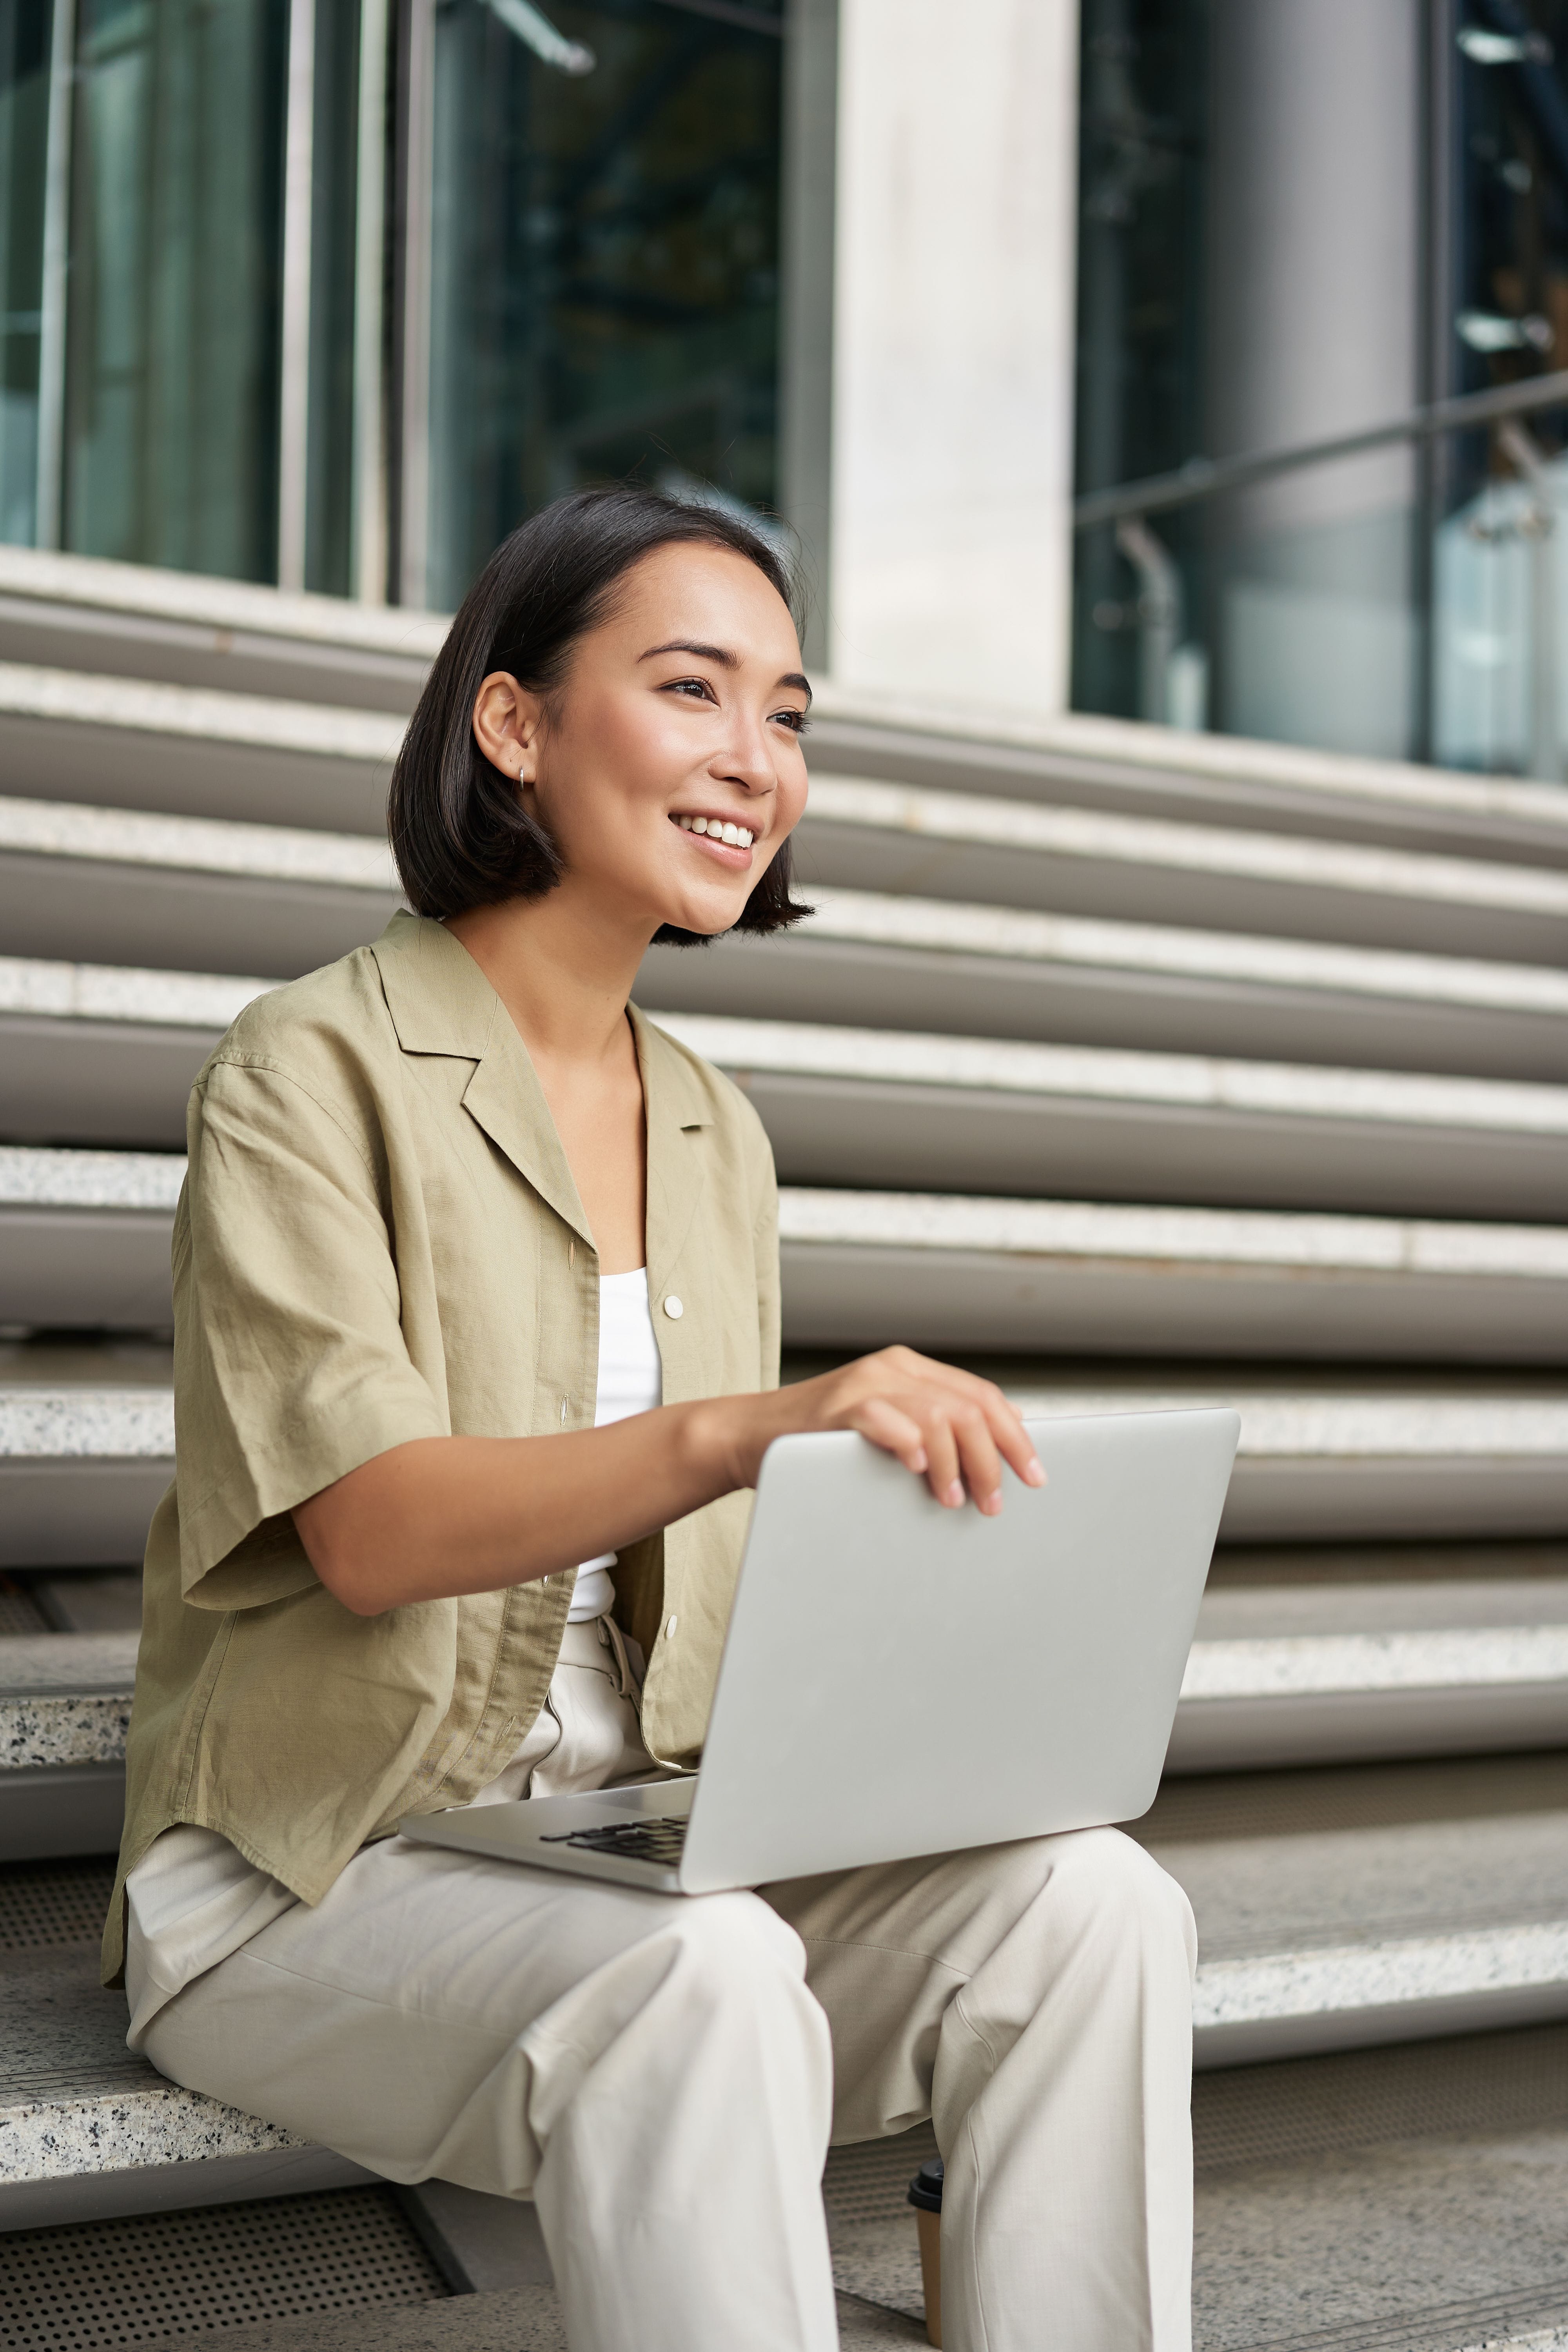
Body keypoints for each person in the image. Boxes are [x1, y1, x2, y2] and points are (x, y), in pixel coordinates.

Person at [104, 486, 1197, 2352]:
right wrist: (751, 1431)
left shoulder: (709, 1122)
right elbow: (370, 1529)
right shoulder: (310, 1066)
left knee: (1091, 1903)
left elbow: (717, 1581)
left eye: (785, 715)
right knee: (695, 1976)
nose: (750, 759)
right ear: (513, 727)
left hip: (621, 1842)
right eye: (691, 690)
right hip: (314, 1874)